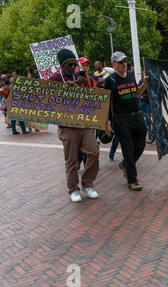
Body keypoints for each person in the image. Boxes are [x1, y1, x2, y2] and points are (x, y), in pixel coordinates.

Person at [50, 48, 100, 202]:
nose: (73, 68)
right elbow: (49, 101)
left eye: (74, 65)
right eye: (70, 65)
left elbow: (91, 100)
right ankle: (73, 189)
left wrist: (84, 87)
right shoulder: (55, 79)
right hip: (67, 127)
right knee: (71, 160)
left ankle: (87, 183)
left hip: (84, 124)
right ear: (62, 65)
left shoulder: (80, 77)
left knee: (94, 152)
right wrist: (65, 89)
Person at [104, 52, 148, 191]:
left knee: (140, 146)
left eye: (125, 61)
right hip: (121, 119)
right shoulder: (110, 80)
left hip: (137, 116)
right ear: (114, 64)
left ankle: (125, 165)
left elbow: (136, 93)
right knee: (128, 150)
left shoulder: (130, 75)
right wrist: (106, 122)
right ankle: (132, 180)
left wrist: (145, 83)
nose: (124, 64)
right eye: (120, 62)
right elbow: (105, 102)